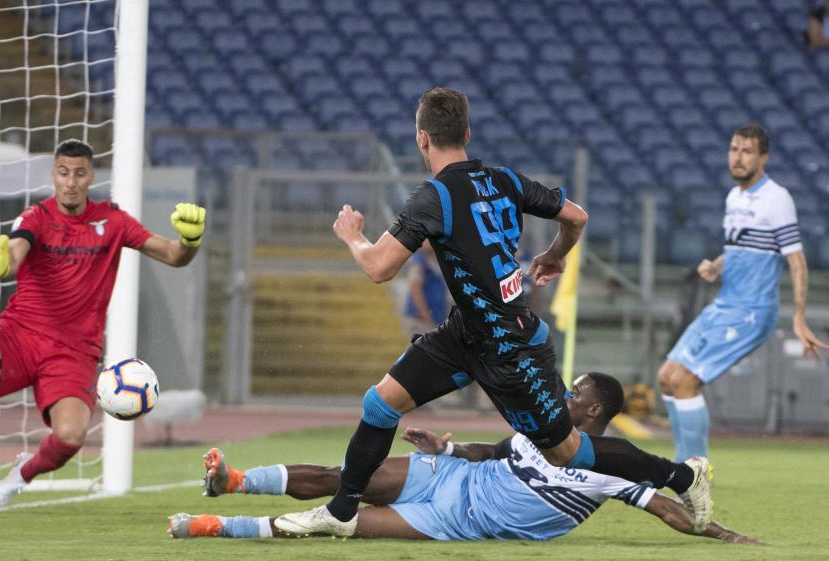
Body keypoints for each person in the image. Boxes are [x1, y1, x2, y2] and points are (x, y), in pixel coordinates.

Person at [273, 88, 712, 538]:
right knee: (380, 403)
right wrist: (555, 254)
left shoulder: (433, 196)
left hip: (509, 345)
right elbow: (576, 217)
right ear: (467, 132)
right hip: (465, 332)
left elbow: (379, 267)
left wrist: (353, 236)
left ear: (422, 139)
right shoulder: (504, 179)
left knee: (567, 452)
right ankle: (342, 510)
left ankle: (681, 476)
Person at [0, 139, 207, 509]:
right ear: (54, 175)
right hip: (22, 333)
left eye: (79, 173)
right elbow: (15, 252)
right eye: (64, 173)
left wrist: (190, 238)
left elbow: (174, 256)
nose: (70, 181)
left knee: (70, 437)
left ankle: (20, 476)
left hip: (74, 351)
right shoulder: (36, 216)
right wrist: (0, 265)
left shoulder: (113, 221)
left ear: (89, 177)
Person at [170, 373, 757, 545]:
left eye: (575, 392)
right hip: (452, 474)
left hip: (455, 520)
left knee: (338, 525)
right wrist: (445, 448)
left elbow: (668, 512)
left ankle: (215, 527)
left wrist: (722, 534)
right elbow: (493, 451)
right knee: (344, 478)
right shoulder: (539, 427)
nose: (565, 394)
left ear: (596, 409)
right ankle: (233, 479)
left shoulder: (612, 467)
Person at [658, 124, 828, 462]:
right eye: (734, 149)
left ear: (763, 157)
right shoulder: (734, 197)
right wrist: (717, 266)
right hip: (725, 304)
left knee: (685, 381)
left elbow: (796, 262)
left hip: (751, 311)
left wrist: (798, 316)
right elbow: (742, 247)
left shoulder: (776, 199)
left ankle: (691, 472)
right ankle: (685, 468)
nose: (737, 157)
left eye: (746, 151)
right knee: (667, 377)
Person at [400, 240, 448, 336]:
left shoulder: (436, 259)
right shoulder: (419, 261)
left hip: (436, 318)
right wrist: (425, 315)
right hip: (421, 320)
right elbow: (415, 288)